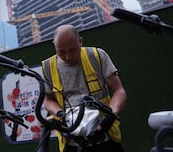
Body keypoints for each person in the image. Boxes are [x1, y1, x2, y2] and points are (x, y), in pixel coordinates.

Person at [41, 24, 127, 152]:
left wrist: (109, 117)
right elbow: (47, 100)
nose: (67, 57)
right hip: (71, 143)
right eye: (61, 52)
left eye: (72, 50)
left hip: (105, 137)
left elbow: (119, 90)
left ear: (80, 41)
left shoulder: (96, 55)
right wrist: (61, 115)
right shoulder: (48, 66)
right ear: (54, 45)